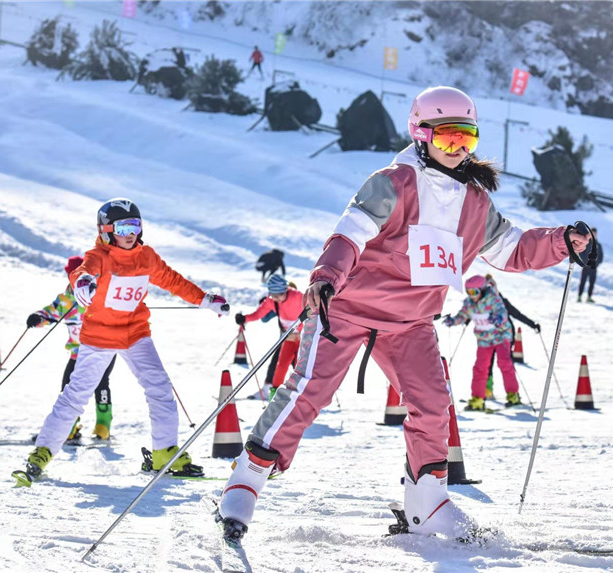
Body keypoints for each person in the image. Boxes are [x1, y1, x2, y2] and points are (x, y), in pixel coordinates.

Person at [216, 86, 591, 543]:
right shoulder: (394, 182)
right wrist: (327, 275)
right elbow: (351, 231)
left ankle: (427, 502)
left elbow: (512, 249)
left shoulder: (475, 203)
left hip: (411, 323)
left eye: (466, 140)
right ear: (421, 133)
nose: (457, 149)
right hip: (348, 307)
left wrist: (561, 242)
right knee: (308, 392)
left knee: (433, 405)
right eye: (448, 138)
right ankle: (247, 479)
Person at [13, 198, 229, 486]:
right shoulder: (100, 256)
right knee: (76, 394)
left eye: (135, 226)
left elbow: (173, 280)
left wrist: (205, 300)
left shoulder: (146, 256)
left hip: (136, 334)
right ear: (106, 230)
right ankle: (42, 452)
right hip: (99, 336)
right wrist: (82, 284)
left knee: (160, 387)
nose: (130, 233)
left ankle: (165, 453)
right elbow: (83, 272)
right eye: (123, 227)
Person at [27, 256, 116, 440]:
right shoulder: (66, 300)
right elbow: (50, 312)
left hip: (104, 350)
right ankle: (69, 426)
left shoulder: (100, 295)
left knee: (101, 382)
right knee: (68, 386)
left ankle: (103, 424)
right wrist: (38, 318)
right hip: (78, 354)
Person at [443, 276, 520, 411]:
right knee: (480, 368)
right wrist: (452, 321)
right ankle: (478, 399)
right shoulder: (469, 303)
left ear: (482, 290)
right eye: (469, 292)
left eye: (474, 292)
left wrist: (497, 318)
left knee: (505, 364)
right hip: (484, 339)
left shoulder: (493, 299)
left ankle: (513, 395)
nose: (472, 296)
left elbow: (503, 314)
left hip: (500, 336)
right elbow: (462, 316)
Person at [236, 274, 303, 401]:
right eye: (273, 295)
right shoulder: (271, 301)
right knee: (280, 367)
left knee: (300, 369)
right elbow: (259, 314)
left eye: (278, 295)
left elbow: (313, 309)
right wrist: (245, 319)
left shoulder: (298, 297)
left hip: (303, 340)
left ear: (285, 290)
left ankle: (303, 398)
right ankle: (274, 396)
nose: (276, 299)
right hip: (287, 339)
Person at [484, 274, 540, 400]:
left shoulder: (501, 301)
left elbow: (517, 314)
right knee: (488, 362)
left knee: (505, 363)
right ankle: (488, 391)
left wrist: (532, 324)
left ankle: (513, 394)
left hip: (505, 337)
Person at [577, 227, 603, 302]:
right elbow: (581, 253)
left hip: (593, 268)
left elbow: (601, 256)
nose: (594, 235)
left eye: (595, 233)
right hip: (585, 267)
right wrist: (585, 262)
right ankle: (579, 296)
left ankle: (589, 297)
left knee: (592, 283)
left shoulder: (598, 245)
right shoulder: (586, 243)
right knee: (583, 282)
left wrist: (597, 263)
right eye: (592, 233)